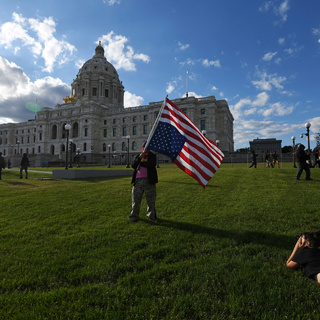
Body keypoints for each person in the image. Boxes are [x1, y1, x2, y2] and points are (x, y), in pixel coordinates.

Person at [129, 141, 158, 223]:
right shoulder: (139, 155)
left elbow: (152, 164)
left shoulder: (152, 156)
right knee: (135, 199)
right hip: (138, 181)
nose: (145, 149)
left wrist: (141, 162)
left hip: (149, 181)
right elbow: (133, 166)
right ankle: (134, 216)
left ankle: (151, 216)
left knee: (151, 200)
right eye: (144, 147)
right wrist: (139, 159)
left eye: (147, 147)